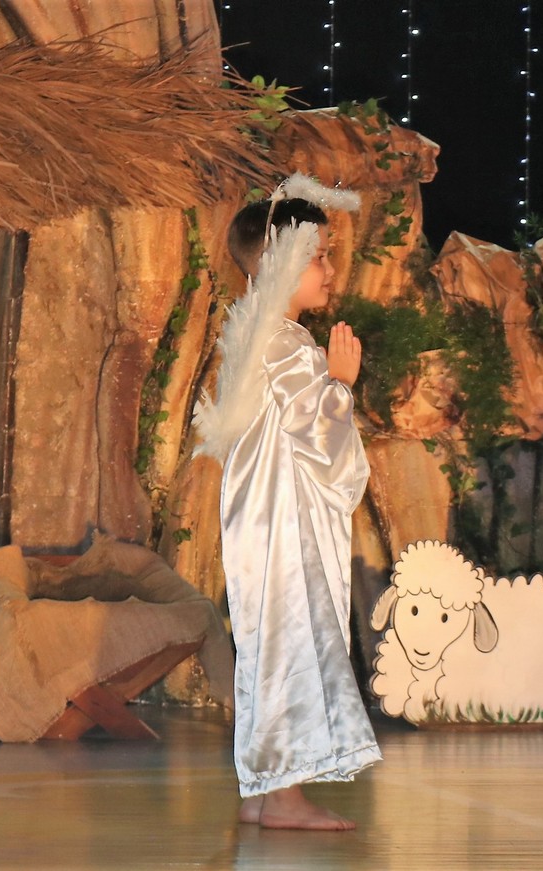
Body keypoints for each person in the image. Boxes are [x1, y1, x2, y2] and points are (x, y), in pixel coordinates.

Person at [193, 173, 379, 831]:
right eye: (318, 256)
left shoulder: (255, 334)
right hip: (285, 530)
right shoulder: (287, 345)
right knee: (294, 645)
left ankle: (265, 786)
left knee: (269, 648)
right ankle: (286, 797)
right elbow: (321, 440)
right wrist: (342, 384)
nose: (329, 269)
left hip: (262, 524)